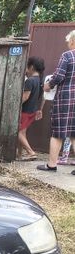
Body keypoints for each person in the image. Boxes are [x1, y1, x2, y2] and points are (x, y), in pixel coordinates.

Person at [38, 30, 75, 172]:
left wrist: (48, 85)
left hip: (66, 99)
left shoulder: (67, 56)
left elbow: (59, 76)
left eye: (68, 42)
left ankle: (52, 165)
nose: (68, 44)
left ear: (72, 41)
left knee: (58, 132)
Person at [18, 56, 44, 160]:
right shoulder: (40, 81)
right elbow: (41, 97)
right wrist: (39, 109)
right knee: (22, 132)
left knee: (18, 132)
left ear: (31, 67)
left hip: (25, 111)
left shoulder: (30, 81)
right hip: (32, 111)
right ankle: (19, 153)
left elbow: (25, 97)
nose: (26, 70)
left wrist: (16, 105)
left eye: (27, 67)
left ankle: (31, 152)